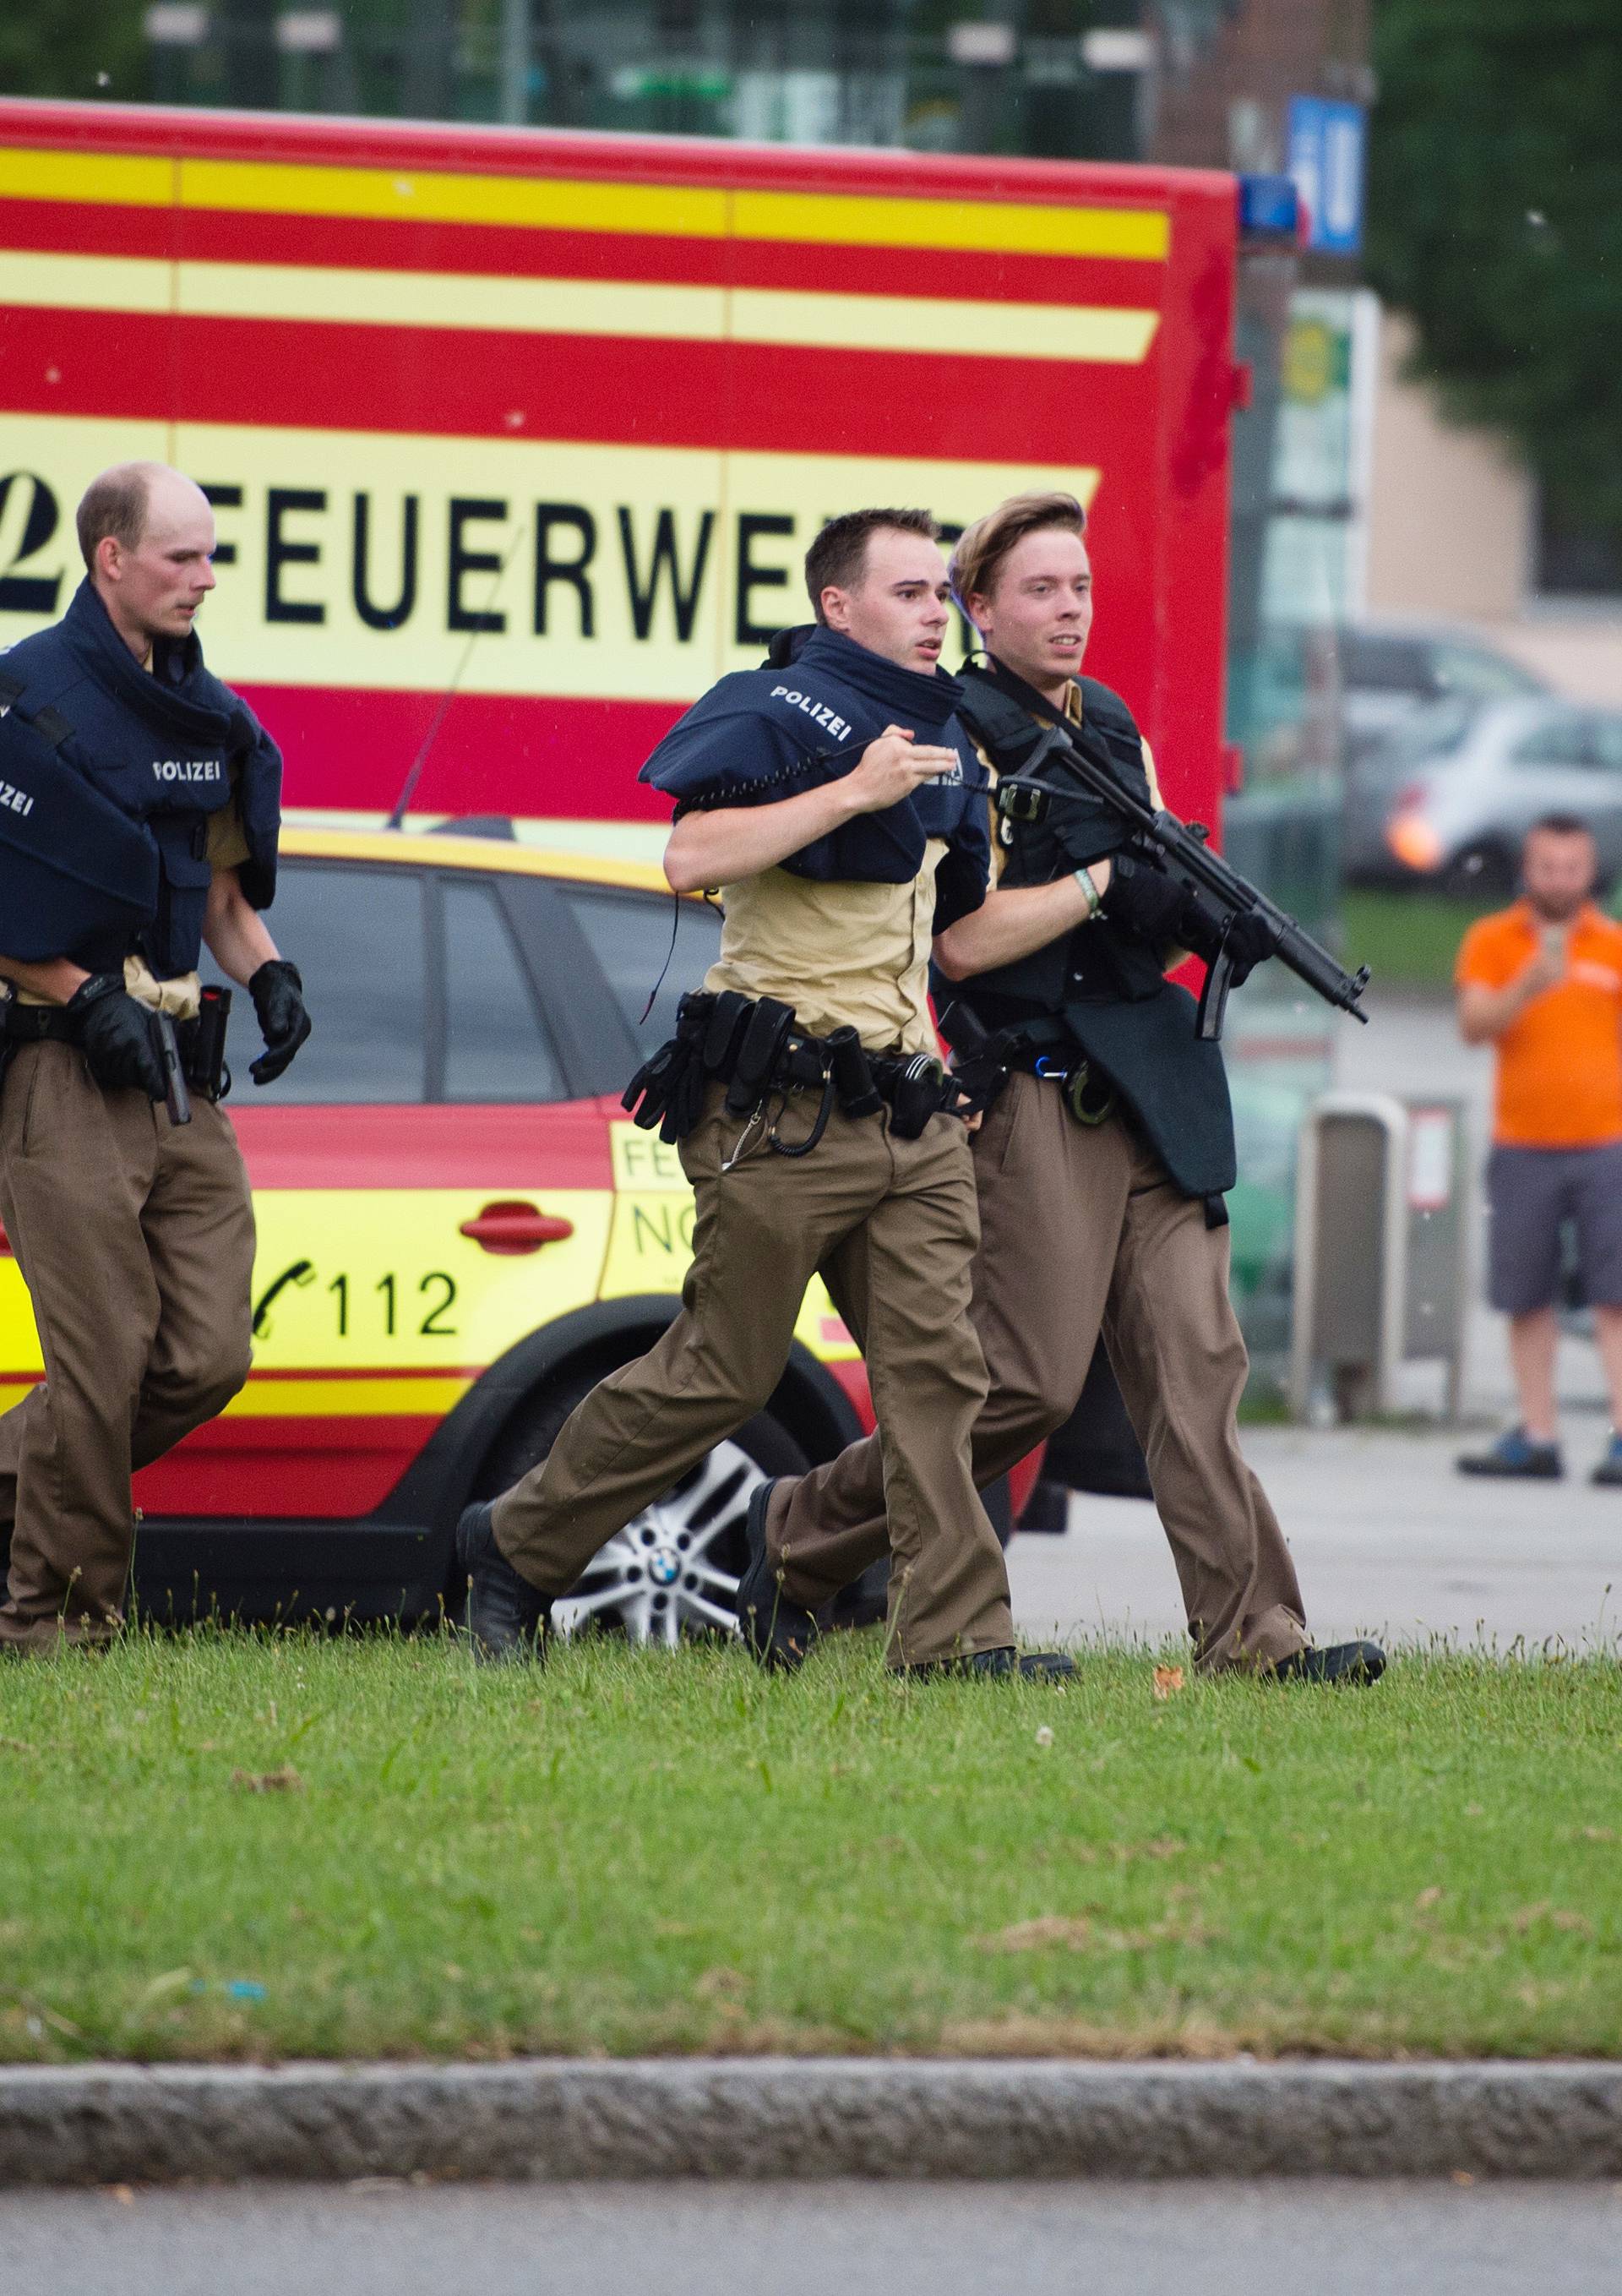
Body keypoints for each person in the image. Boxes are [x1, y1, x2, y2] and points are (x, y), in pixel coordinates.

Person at [742, 490, 1385, 1683]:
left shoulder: (1113, 723)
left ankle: (1260, 1636)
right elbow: (966, 942)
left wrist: (1193, 917)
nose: (1069, 609)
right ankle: (799, 1532)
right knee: (1021, 1384)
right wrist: (1102, 887)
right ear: (978, 609)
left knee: (1197, 1377)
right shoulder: (957, 732)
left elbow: (1141, 888)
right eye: (1039, 589)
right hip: (1035, 1091)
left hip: (1153, 1091)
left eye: (1080, 587)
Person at [456, 506, 1070, 1679]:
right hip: (781, 1113)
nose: (936, 613)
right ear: (838, 605)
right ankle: (517, 1547)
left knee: (941, 1376)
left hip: (911, 1109)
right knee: (722, 1371)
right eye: (908, 593)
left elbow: (953, 936)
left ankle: (954, 1641)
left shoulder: (952, 744)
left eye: (942, 594)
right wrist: (851, 788)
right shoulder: (771, 705)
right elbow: (691, 855)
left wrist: (1095, 893)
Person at [0, 461, 310, 1652]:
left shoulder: (208, 716)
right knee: (104, 1356)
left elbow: (221, 896)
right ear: (110, 557)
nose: (206, 576)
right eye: (181, 556)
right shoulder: (24, 697)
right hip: (62, 1071)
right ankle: (55, 1623)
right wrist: (78, 997)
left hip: (182, 1070)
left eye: (211, 553)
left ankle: (30, 1499)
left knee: (206, 1352)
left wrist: (270, 970)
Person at [1455, 814, 1622, 1483]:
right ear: (1528, 870)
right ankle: (1538, 1432)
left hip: (1606, 1142)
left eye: (1571, 867)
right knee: (1527, 1293)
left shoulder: (1612, 944)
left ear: (1589, 871)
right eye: (1547, 866)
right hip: (1523, 1143)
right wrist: (1526, 984)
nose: (1559, 880)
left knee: (1615, 1296)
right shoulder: (1494, 941)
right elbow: (1472, 1024)